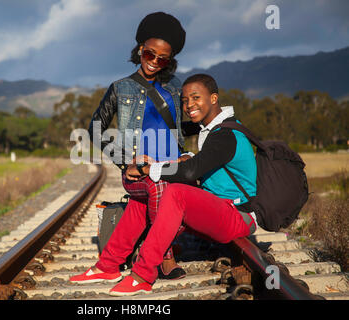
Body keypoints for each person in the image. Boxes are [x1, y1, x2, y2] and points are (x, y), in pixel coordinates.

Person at [73, 73, 259, 296]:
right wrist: (176, 160)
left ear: (213, 98)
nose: (189, 105)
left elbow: (190, 172)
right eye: (185, 100)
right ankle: (108, 266)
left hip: (236, 216)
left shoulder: (225, 134)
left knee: (175, 192)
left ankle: (143, 274)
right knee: (141, 198)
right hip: (218, 209)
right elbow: (200, 164)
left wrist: (145, 169)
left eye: (196, 98)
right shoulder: (212, 131)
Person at [80, 12, 191, 281]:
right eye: (149, 54)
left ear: (169, 61)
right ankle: (164, 256)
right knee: (158, 187)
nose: (154, 62)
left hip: (174, 166)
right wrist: (124, 161)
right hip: (139, 171)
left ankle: (111, 262)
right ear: (140, 49)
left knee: (195, 194)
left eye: (162, 58)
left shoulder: (176, 87)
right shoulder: (121, 88)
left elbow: (180, 126)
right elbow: (94, 128)